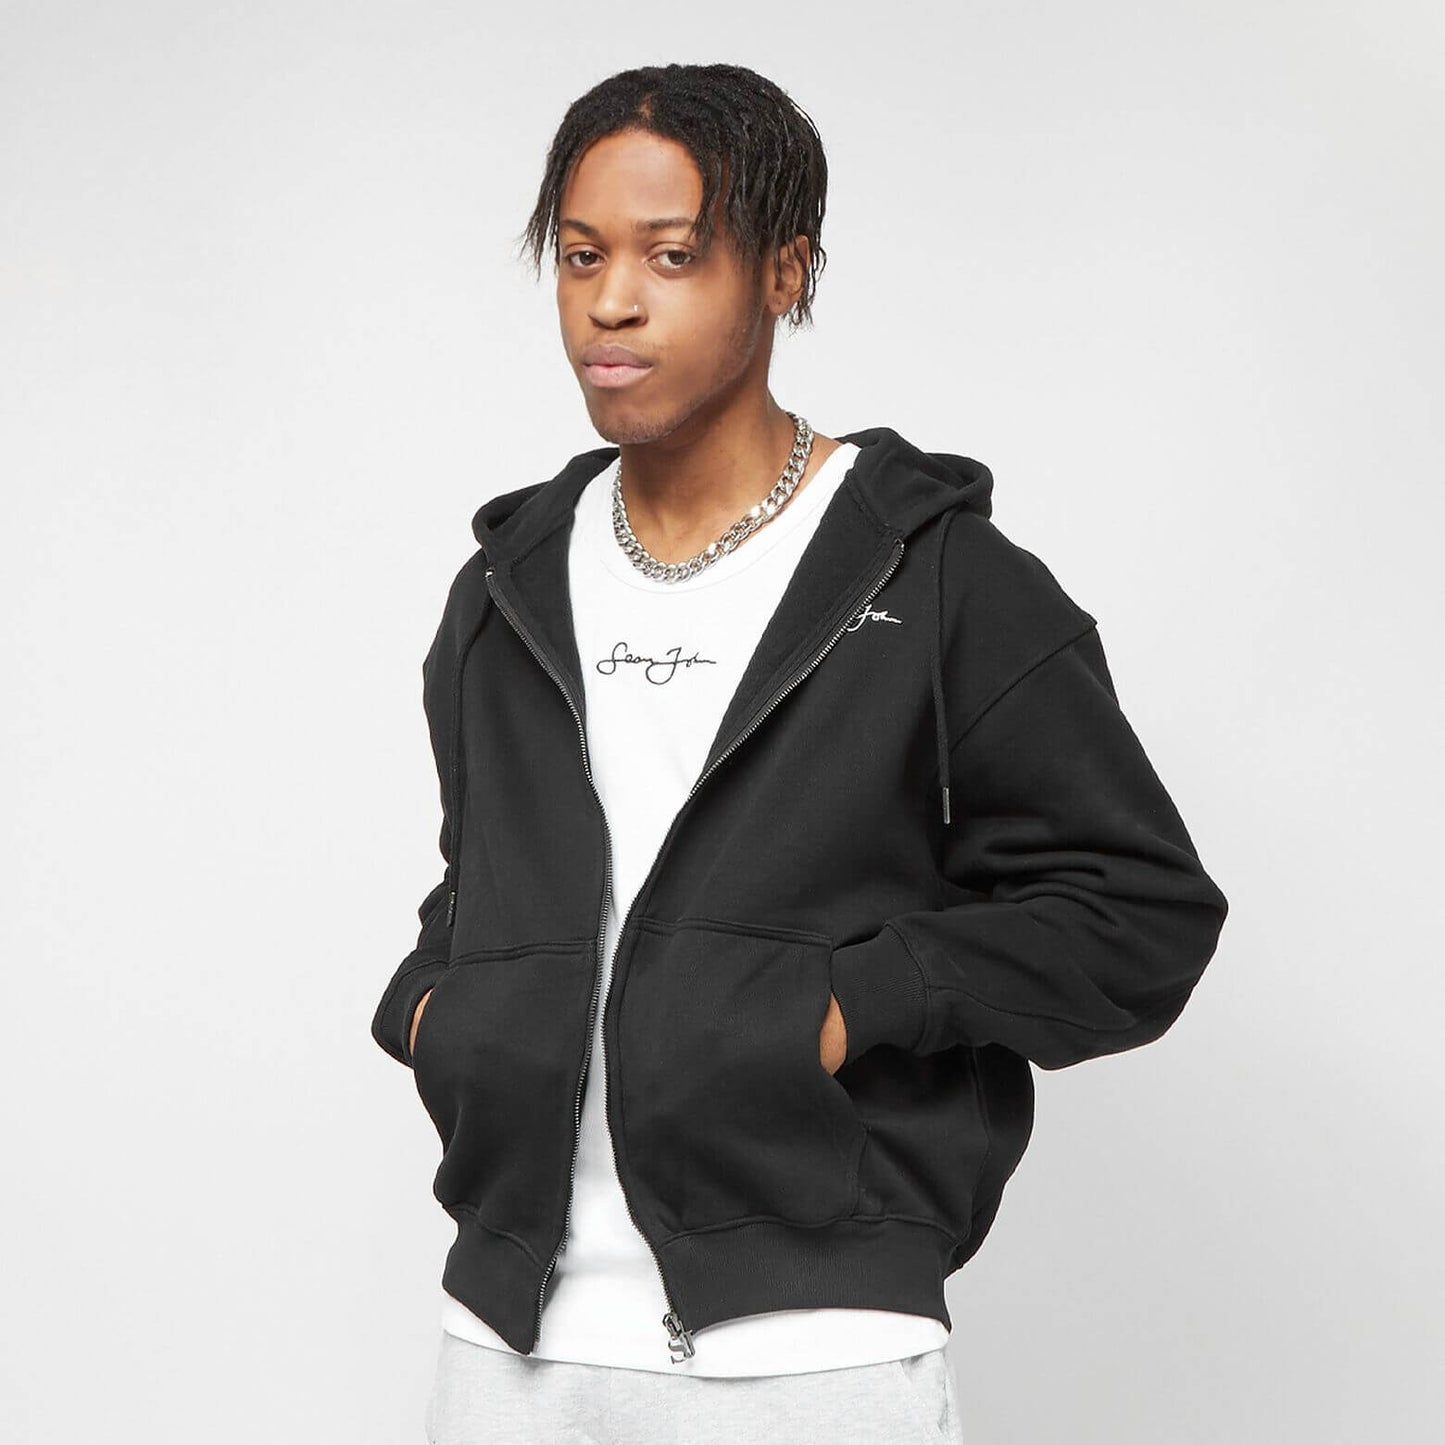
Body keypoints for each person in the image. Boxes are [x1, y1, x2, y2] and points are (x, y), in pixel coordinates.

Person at [370, 61, 1229, 1445]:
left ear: (785, 270)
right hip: (508, 1343)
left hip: (814, 1355)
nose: (611, 301)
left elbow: (1140, 915)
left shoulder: (935, 579)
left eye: (671, 255)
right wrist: (438, 1008)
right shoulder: (506, 587)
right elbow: (481, 885)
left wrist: (852, 1001)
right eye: (581, 256)